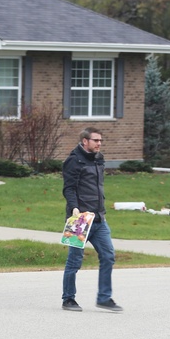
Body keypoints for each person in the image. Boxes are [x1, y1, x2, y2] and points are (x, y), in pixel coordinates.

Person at [61, 127, 122, 312]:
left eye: (101, 140)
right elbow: (68, 188)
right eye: (96, 140)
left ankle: (104, 298)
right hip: (79, 219)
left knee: (108, 256)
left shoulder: (98, 159)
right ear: (85, 141)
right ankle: (68, 299)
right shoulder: (73, 161)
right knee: (74, 261)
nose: (99, 143)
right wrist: (74, 207)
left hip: (99, 219)